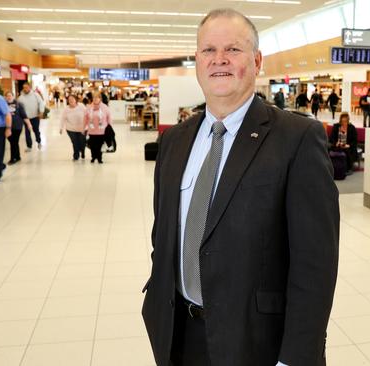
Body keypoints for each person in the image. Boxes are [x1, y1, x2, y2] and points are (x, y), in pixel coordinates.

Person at [142, 8, 339, 366]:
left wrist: (295, 358)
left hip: (257, 342)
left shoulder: (296, 138)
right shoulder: (174, 142)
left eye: (233, 49)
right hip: (177, 335)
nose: (219, 60)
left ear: (257, 60)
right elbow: (164, 236)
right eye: (208, 50)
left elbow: (316, 265)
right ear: (197, 60)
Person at [4, 91, 31, 165]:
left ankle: (13, 158)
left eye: (10, 95)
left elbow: (24, 116)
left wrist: (29, 124)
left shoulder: (18, 105)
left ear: (13, 96)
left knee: (13, 142)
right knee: (13, 142)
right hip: (7, 127)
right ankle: (18, 156)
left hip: (17, 126)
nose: (9, 97)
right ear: (5, 97)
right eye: (7, 96)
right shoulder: (3, 105)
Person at [83, 94, 112, 164]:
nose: (95, 99)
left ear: (100, 99)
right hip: (92, 130)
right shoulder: (89, 107)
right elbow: (85, 118)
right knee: (92, 145)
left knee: (99, 145)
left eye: (97, 98)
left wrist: (109, 126)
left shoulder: (105, 107)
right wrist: (84, 128)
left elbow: (109, 117)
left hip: (102, 130)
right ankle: (93, 157)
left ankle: (99, 157)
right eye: (94, 98)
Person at [17, 82, 45, 150]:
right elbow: (18, 108)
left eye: (26, 87)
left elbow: (41, 103)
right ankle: (29, 146)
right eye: (24, 88)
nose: (25, 89)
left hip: (35, 116)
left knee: (36, 131)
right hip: (26, 118)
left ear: (30, 87)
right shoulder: (20, 98)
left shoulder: (36, 95)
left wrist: (41, 111)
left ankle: (39, 142)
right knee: (27, 132)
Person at [60, 95, 87, 161]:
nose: (71, 100)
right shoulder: (66, 109)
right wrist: (61, 128)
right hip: (71, 129)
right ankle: (76, 155)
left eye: (72, 99)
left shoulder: (81, 106)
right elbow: (62, 119)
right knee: (75, 142)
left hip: (82, 128)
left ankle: (82, 151)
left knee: (82, 142)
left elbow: (87, 114)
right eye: (69, 99)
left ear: (76, 100)